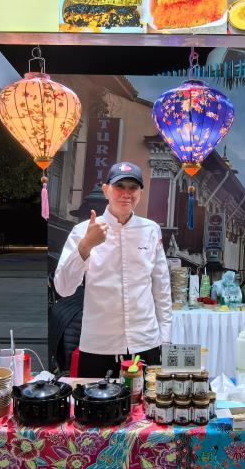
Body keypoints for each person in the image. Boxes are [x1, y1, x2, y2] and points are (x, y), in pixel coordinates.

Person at [53, 162, 172, 378]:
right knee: (94, 399)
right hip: (98, 345)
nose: (126, 193)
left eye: (133, 188)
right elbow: (63, 288)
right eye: (120, 186)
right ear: (106, 189)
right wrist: (86, 245)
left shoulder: (151, 230)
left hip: (145, 342)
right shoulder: (83, 231)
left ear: (140, 193)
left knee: (146, 401)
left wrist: (165, 337)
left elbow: (161, 288)